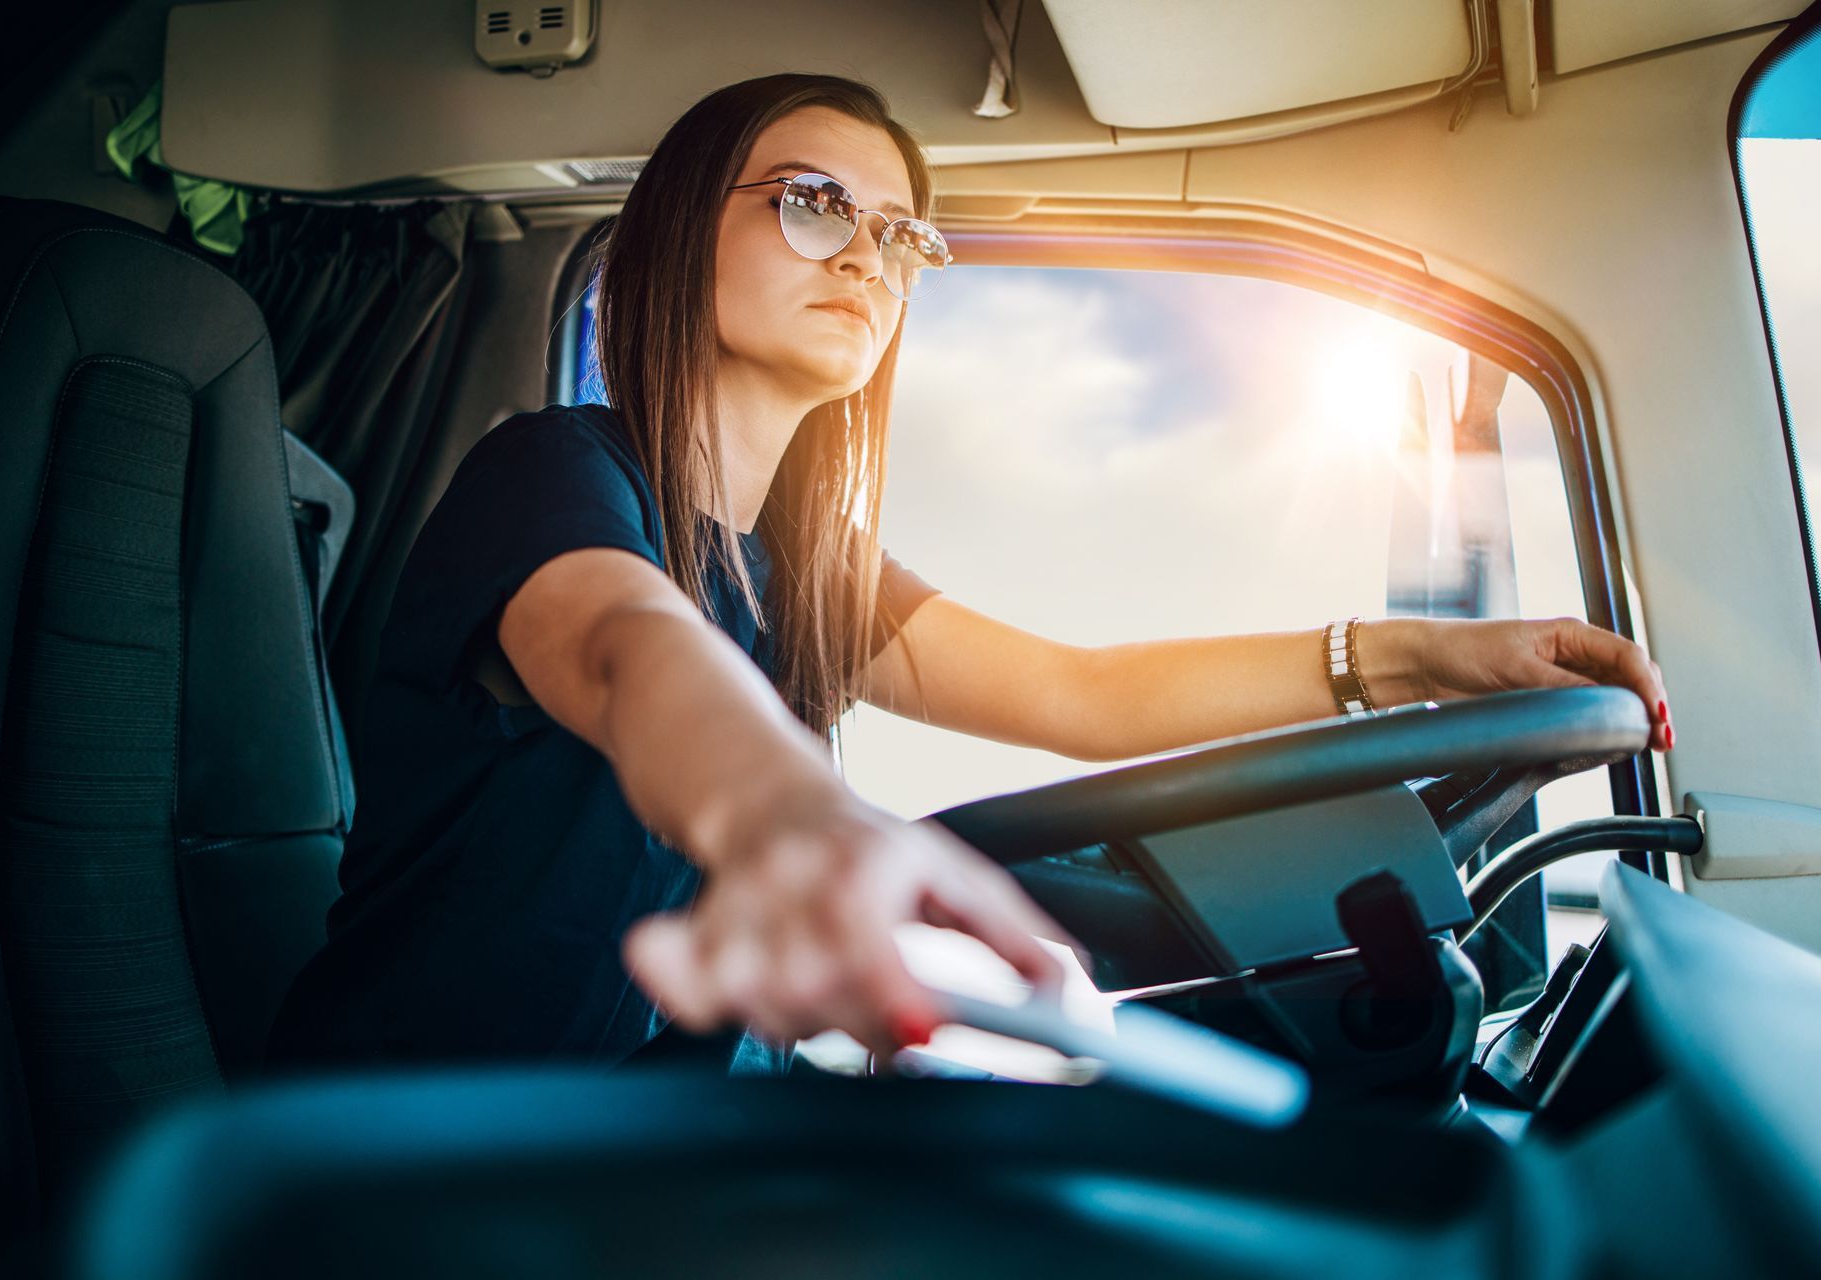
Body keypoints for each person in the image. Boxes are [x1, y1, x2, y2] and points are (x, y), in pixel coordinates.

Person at [266, 73, 1672, 1078]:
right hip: (419, 1149)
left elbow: (1084, 692)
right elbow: (636, 653)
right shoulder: (554, 475)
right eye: (815, 203)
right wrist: (796, 822)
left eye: (901, 232)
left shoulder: (808, 571)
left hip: (654, 1131)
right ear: (679, 228)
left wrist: (1410, 661)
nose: (870, 257)